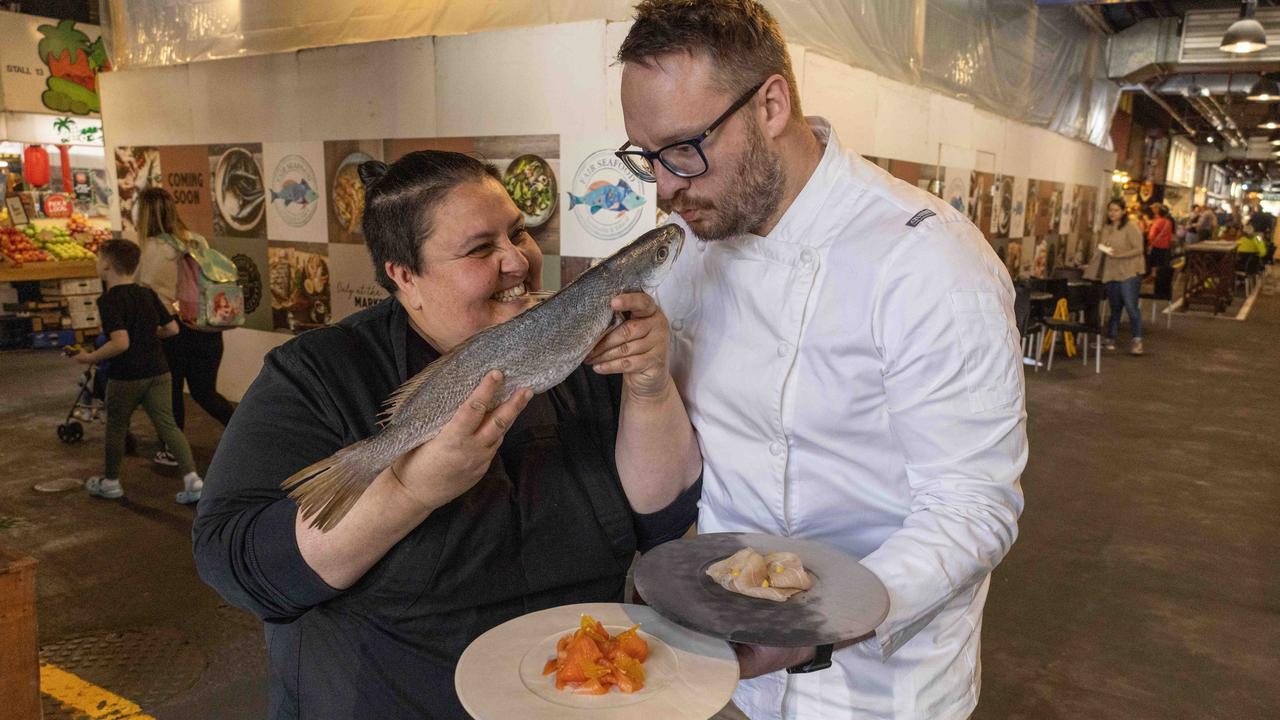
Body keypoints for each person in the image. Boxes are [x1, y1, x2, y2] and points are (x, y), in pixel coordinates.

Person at [615, 2, 1027, 718]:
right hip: (727, 667)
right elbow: (688, 467)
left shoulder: (926, 262)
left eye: (684, 148)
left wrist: (811, 627)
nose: (664, 186)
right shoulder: (688, 258)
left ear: (771, 103)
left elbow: (972, 505)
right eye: (645, 155)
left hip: (881, 685)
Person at [192, 150, 702, 720]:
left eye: (519, 233)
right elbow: (236, 564)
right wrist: (408, 492)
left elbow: (660, 521)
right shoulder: (318, 375)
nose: (517, 260)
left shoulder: (575, 345)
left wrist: (650, 385)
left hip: (580, 698)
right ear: (404, 276)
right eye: (481, 249)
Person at [70, 239, 204, 503]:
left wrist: (89, 358)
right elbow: (171, 329)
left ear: (107, 264)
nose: (97, 263)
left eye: (99, 259)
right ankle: (193, 481)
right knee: (168, 426)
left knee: (116, 428)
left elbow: (120, 343)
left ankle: (110, 482)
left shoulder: (108, 301)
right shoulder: (147, 292)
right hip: (158, 371)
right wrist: (146, 332)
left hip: (126, 375)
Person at [134, 187, 236, 466]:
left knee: (172, 391)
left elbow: (153, 296)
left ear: (142, 213)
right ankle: (244, 434)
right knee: (205, 392)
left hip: (177, 332)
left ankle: (172, 451)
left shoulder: (155, 248)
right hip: (207, 327)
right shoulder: (194, 240)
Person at [1091, 200, 1145, 355]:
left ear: (1123, 211)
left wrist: (1120, 255)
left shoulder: (1131, 227)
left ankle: (1137, 340)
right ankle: (1110, 338)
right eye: (1110, 210)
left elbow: (1138, 249)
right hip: (1112, 271)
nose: (1112, 213)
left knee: (1131, 306)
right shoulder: (1107, 228)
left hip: (1129, 272)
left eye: (1116, 210)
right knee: (1114, 306)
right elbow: (1103, 245)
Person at [1146, 204, 1173, 276]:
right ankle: (1159, 275)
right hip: (1165, 245)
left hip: (1156, 244)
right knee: (1161, 261)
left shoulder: (1157, 222)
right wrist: (1169, 243)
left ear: (1159, 213)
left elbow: (1152, 235)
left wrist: (1149, 243)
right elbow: (1170, 235)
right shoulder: (1168, 222)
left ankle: (1153, 274)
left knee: (1154, 260)